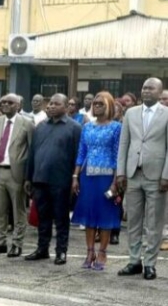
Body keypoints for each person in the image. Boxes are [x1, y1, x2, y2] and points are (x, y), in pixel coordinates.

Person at [116, 78, 168, 280]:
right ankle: (134, 260)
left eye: (151, 88)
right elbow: (124, 144)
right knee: (133, 220)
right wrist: (121, 172)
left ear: (159, 92)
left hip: (157, 176)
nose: (146, 91)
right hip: (132, 174)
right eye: (144, 87)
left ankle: (150, 263)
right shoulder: (131, 113)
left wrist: (166, 175)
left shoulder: (166, 114)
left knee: (154, 222)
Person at [25, 94, 81, 265]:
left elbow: (78, 156)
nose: (52, 106)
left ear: (65, 107)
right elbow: (32, 153)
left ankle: (61, 251)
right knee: (43, 217)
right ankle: (42, 249)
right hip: (40, 179)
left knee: (61, 218)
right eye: (51, 103)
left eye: (57, 104)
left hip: (61, 181)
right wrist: (29, 178)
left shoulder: (74, 127)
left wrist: (75, 179)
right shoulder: (40, 127)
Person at [71, 92, 122, 271]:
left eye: (101, 103)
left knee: (106, 216)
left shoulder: (116, 128)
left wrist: (115, 182)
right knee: (89, 216)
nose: (97, 106)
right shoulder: (87, 127)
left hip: (107, 177)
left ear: (109, 106)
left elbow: (118, 156)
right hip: (88, 176)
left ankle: (102, 252)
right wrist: (75, 176)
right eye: (95, 103)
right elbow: (81, 153)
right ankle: (89, 251)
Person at [0, 94, 35, 258]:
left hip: (17, 173)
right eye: (3, 102)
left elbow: (31, 150)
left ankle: (17, 243)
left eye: (10, 102)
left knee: (18, 210)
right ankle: (0, 242)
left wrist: (29, 177)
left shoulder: (27, 124)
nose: (5, 104)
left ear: (19, 105)